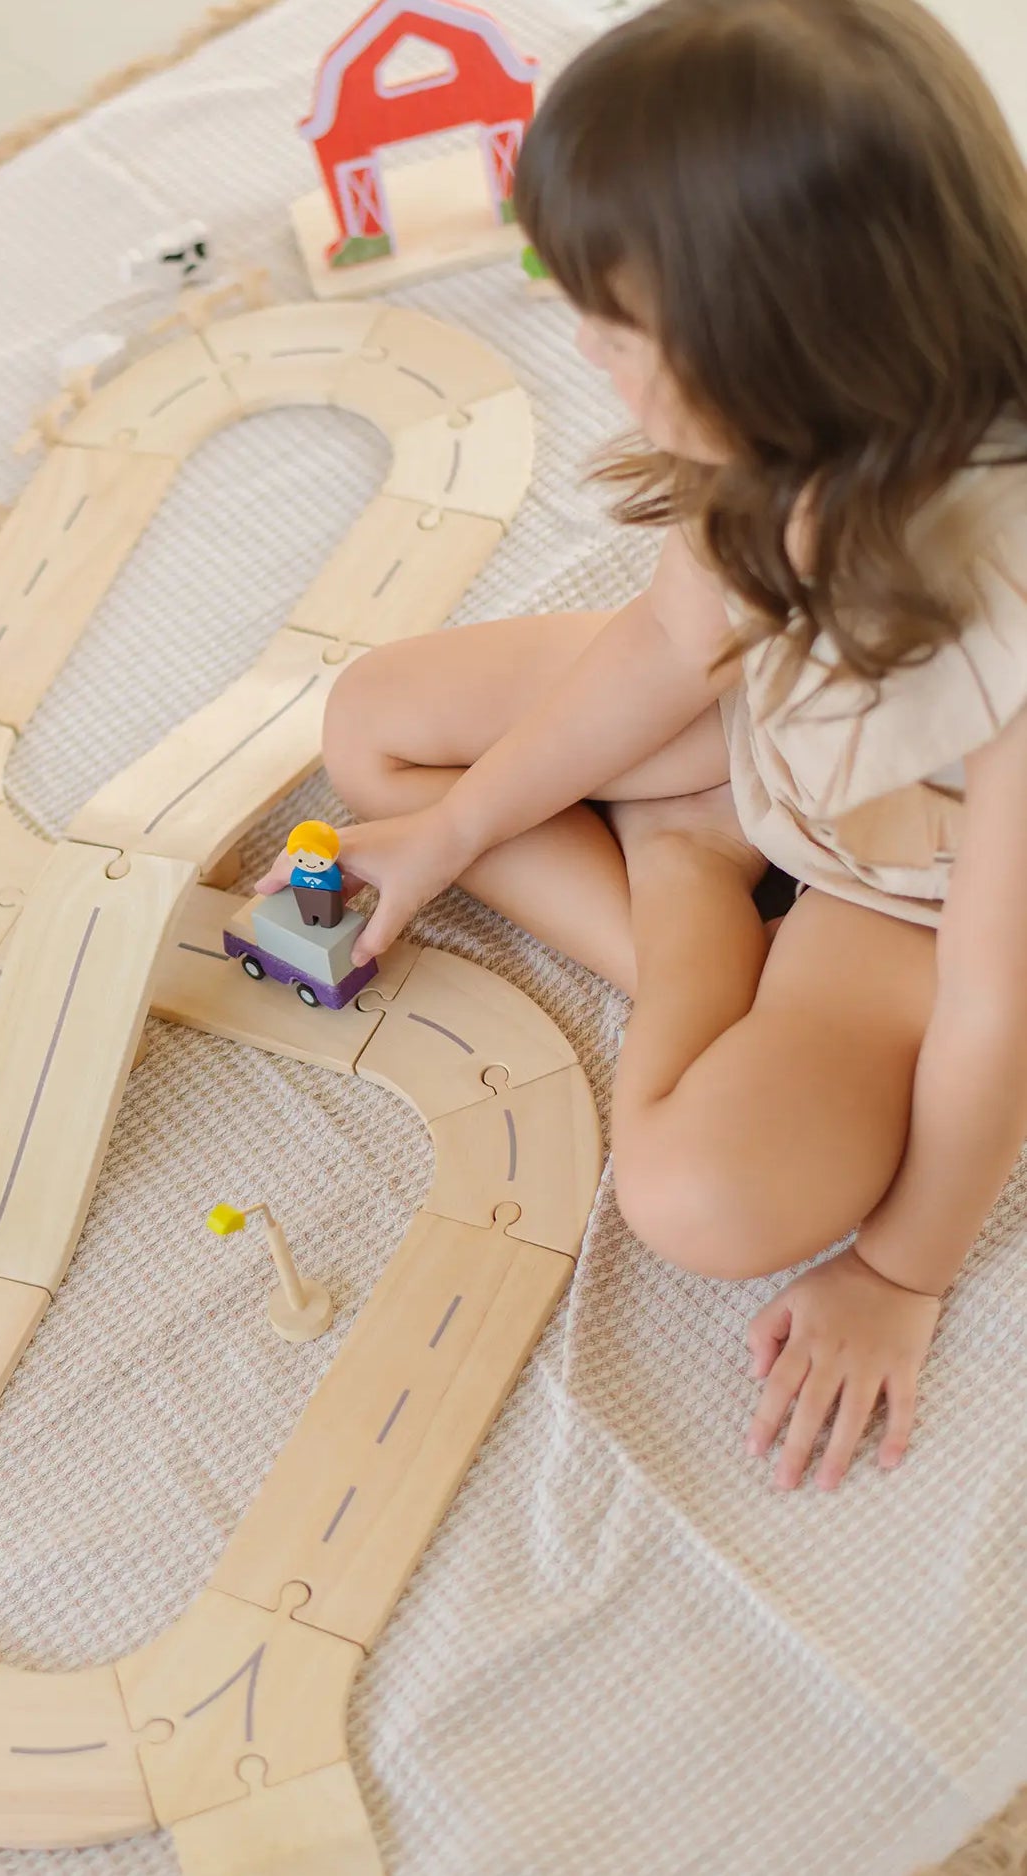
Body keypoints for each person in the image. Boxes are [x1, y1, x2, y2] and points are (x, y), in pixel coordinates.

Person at [258, 0, 1027, 1492]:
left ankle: (690, 913)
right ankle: (695, 868)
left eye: (616, 333)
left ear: (783, 332)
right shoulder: (802, 432)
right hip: (780, 746)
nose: (588, 355)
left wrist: (904, 1272)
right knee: (375, 733)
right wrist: (459, 829)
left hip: (910, 895)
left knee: (697, 1200)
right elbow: (666, 644)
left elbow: (994, 1000)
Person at [285, 820, 346, 927]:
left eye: (321, 861)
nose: (310, 864)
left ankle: (328, 922)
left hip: (327, 894)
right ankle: (309, 920)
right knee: (307, 910)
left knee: (329, 914)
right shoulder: (297, 875)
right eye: (300, 860)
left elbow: (336, 885)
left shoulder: (332, 873)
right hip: (303, 892)